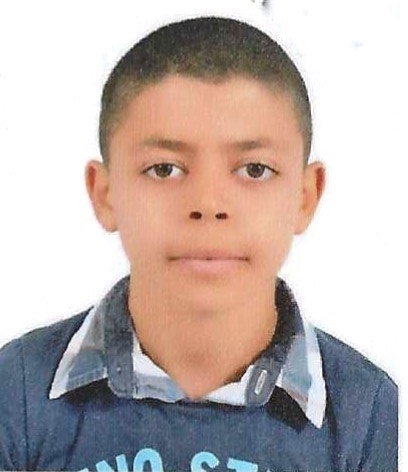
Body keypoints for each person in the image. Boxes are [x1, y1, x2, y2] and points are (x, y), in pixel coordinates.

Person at [0, 15, 397, 472]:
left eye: (254, 170)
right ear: (104, 193)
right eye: (164, 169)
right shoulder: (18, 394)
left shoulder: (371, 415)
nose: (208, 204)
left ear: (305, 197)